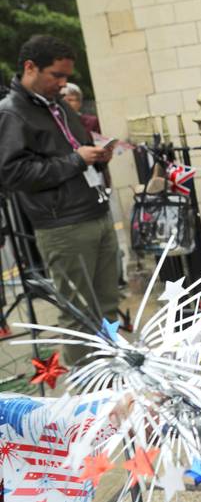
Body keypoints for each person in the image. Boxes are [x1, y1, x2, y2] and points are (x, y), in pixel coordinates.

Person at [0, 35, 119, 366]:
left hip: (94, 210)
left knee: (109, 305)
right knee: (79, 315)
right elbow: (12, 173)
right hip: (62, 225)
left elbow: (75, 149)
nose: (64, 83)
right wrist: (78, 160)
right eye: (56, 75)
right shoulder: (12, 113)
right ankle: (86, 401)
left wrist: (98, 156)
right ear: (29, 68)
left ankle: (114, 379)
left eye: (67, 76)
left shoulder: (58, 104)